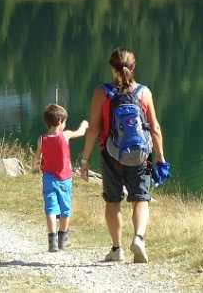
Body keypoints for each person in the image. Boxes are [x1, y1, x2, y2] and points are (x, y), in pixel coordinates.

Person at [79, 47, 166, 263]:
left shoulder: (102, 92)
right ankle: (139, 238)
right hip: (141, 156)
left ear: (112, 68)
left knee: (113, 201)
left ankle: (117, 249)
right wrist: (160, 157)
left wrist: (85, 160)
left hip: (111, 156)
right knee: (141, 199)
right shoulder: (144, 92)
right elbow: (154, 128)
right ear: (134, 67)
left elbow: (94, 129)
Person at [33, 103, 88, 252]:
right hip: (64, 178)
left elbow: (38, 156)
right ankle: (63, 240)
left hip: (48, 178)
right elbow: (81, 132)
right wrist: (85, 124)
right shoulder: (65, 135)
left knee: (51, 208)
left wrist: (35, 164)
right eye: (64, 121)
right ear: (59, 122)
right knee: (65, 208)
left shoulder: (42, 139)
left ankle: (52, 242)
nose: (65, 124)